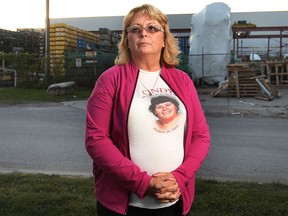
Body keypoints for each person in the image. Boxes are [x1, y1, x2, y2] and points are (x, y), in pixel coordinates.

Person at [85, 4, 210, 216]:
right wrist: (144, 183)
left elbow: (201, 136)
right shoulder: (110, 80)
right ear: (127, 40)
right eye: (135, 29)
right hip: (122, 206)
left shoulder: (183, 81)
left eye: (152, 28)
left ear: (164, 39)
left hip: (175, 199)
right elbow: (96, 139)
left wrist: (179, 178)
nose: (143, 32)